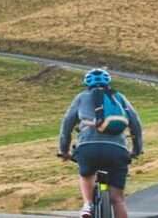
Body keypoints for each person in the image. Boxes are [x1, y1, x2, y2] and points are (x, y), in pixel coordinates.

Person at [58, 68, 143, 218]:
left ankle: (87, 205)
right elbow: (135, 123)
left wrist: (64, 150)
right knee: (117, 199)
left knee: (86, 174)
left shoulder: (81, 97)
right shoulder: (119, 97)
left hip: (88, 147)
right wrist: (136, 149)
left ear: (87, 84)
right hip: (117, 150)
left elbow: (67, 124)